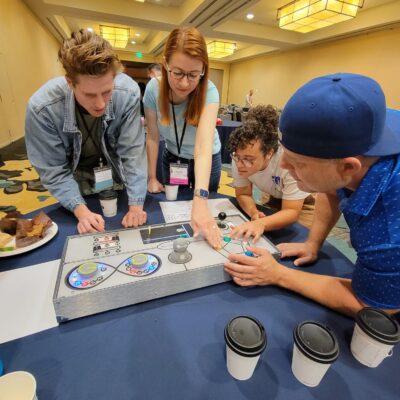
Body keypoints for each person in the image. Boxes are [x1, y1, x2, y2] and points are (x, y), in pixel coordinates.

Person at [224, 73, 400, 317]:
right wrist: (312, 242)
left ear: (348, 167)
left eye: (297, 162)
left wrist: (278, 274)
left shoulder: (390, 230)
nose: (283, 166)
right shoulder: (362, 135)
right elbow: (331, 190)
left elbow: (374, 307)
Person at [25, 29, 147, 234]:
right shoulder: (42, 108)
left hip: (113, 180)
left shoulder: (127, 93)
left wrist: (136, 206)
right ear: (70, 82)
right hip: (73, 180)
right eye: (89, 94)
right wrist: (81, 211)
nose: (100, 104)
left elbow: (133, 153)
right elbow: (53, 170)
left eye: (107, 91)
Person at [143, 26, 222, 249]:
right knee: (172, 210)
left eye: (193, 75)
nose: (185, 83)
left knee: (203, 210)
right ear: (165, 64)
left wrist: (201, 198)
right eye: (177, 72)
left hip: (207, 161)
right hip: (173, 157)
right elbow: (152, 136)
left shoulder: (210, 92)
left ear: (204, 70)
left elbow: (203, 148)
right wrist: (151, 176)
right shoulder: (153, 89)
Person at [227, 105, 310, 242]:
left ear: (269, 154)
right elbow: (243, 193)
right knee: (268, 237)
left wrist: (260, 223)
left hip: (305, 199)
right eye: (237, 157)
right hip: (275, 192)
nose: (239, 164)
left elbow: (292, 211)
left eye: (249, 160)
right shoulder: (241, 154)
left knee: (300, 241)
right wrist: (253, 212)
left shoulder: (289, 163)